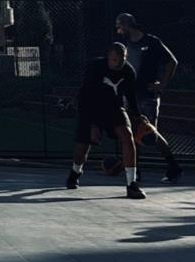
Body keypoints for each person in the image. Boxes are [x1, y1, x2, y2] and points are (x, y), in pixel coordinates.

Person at [66, 42, 149, 199]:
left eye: (118, 59)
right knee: (82, 148)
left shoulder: (128, 72)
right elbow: (85, 96)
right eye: (112, 59)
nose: (114, 63)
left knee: (127, 136)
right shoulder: (96, 68)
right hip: (91, 108)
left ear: (125, 58)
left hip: (114, 108)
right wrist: (93, 125)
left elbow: (130, 97)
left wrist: (138, 116)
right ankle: (75, 171)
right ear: (108, 57)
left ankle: (131, 184)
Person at [115, 13, 182, 184]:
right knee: (131, 133)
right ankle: (135, 173)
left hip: (148, 95)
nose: (118, 30)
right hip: (130, 95)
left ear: (127, 25)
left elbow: (172, 61)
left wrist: (162, 85)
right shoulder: (124, 45)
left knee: (148, 133)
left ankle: (173, 166)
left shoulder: (152, 42)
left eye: (119, 26)